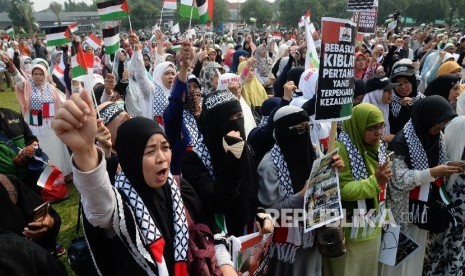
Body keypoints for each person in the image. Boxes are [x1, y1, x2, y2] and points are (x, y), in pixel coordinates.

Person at [51, 92, 208, 275]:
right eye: (150, 151)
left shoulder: (179, 188)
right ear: (132, 157)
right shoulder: (122, 204)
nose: (161, 158)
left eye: (165, 147)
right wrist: (85, 152)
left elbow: (206, 228)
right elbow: (100, 209)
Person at [382, 95, 464, 276]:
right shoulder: (402, 141)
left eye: (443, 123)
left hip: (422, 210)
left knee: (414, 260)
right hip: (402, 211)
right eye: (437, 122)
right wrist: (432, 173)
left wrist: (449, 166)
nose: (439, 126)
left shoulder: (437, 137)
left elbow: (436, 163)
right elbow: (399, 179)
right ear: (426, 117)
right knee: (396, 263)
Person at [258, 105, 344, 276]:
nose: (304, 132)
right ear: (283, 131)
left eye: (307, 127)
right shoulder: (269, 165)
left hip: (314, 237)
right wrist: (301, 197)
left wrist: (334, 172)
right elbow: (268, 213)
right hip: (285, 248)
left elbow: (325, 191)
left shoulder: (313, 151)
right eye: (299, 128)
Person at [1, 54, 73, 181]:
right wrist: (11, 66)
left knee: (54, 149)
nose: (38, 76)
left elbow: (62, 103)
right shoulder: (27, 86)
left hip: (50, 125)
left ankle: (59, 178)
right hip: (34, 126)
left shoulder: (51, 89)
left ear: (45, 74)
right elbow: (18, 79)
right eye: (35, 74)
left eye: (41, 74)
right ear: (32, 75)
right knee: (40, 149)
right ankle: (44, 178)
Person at [425, 115, 465, 275]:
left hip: (449, 187)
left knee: (449, 233)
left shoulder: (455, 123)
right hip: (454, 187)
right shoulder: (459, 123)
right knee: (451, 231)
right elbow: (446, 156)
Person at [389, 59, 424, 135]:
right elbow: (393, 129)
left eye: (406, 81)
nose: (403, 87)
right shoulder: (389, 101)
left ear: (413, 81)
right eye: (398, 83)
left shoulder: (422, 101)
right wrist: (404, 110)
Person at [363, 76, 399, 142]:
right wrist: (383, 138)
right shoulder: (365, 114)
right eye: (386, 91)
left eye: (391, 90)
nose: (391, 93)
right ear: (376, 94)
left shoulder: (389, 107)